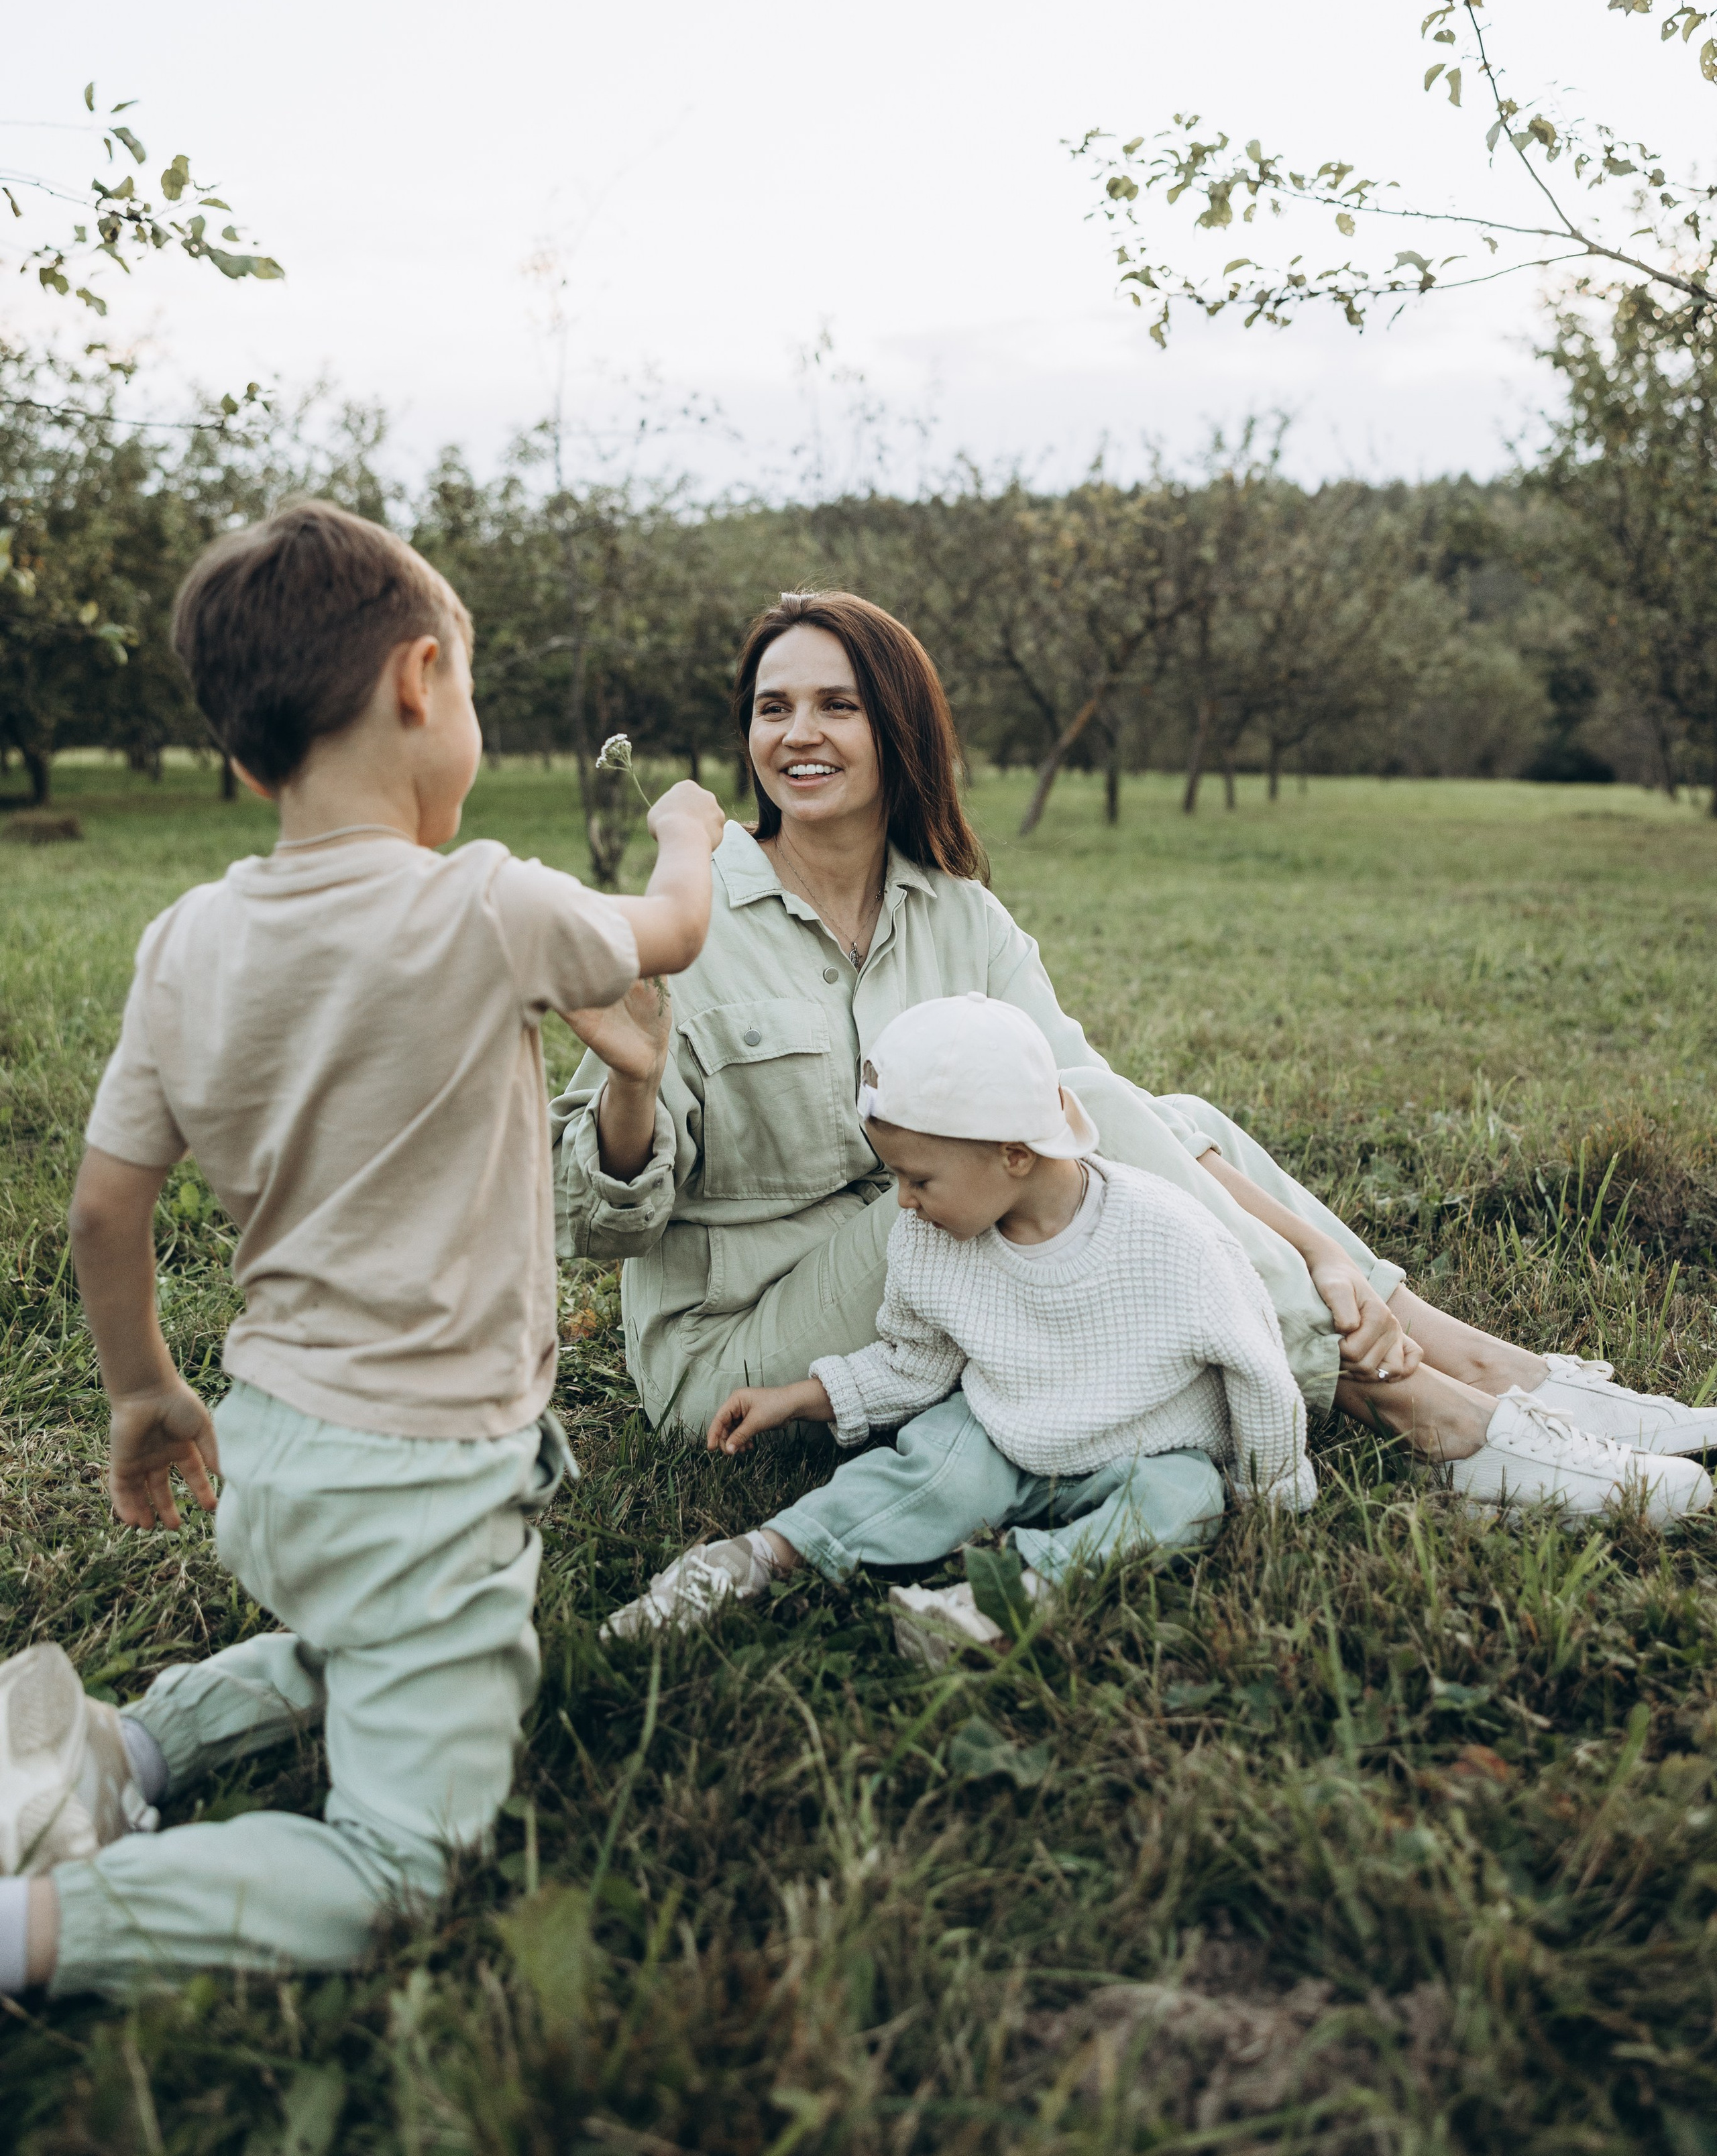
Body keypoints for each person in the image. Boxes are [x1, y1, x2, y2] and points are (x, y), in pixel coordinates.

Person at [0, 500, 726, 2000]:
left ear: (246, 748)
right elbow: (670, 932)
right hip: (420, 1472)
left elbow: (104, 1205)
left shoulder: (186, 938)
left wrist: (144, 1392)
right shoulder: (489, 902)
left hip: (271, 1448)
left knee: (366, 1632)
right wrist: (686, 833)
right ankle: (38, 1931)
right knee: (403, 1865)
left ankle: (128, 1744)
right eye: (465, 686)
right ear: (416, 683)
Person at [553, 589, 1717, 1520]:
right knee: (1098, 1122)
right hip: (750, 1353)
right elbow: (597, 1229)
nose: (798, 733)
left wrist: (1324, 1257)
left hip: (945, 1265)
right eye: (773, 708)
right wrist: (635, 1078)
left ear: (896, 726)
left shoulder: (960, 917)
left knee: (1164, 1113)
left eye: (837, 705)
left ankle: (1485, 1366)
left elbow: (1098, 1117)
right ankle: (1423, 1410)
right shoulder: (684, 924)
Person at [603, 993, 1325, 1657]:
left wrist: (1274, 1498)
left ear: (1014, 1154)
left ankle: (1008, 1598)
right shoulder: (930, 1239)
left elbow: (1257, 1371)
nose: (904, 1202)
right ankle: (759, 1557)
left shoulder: (1168, 1238)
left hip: (1149, 1446)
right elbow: (913, 1362)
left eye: (918, 1180)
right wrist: (797, 1397)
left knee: (1183, 1502)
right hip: (1004, 1431)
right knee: (937, 1458)